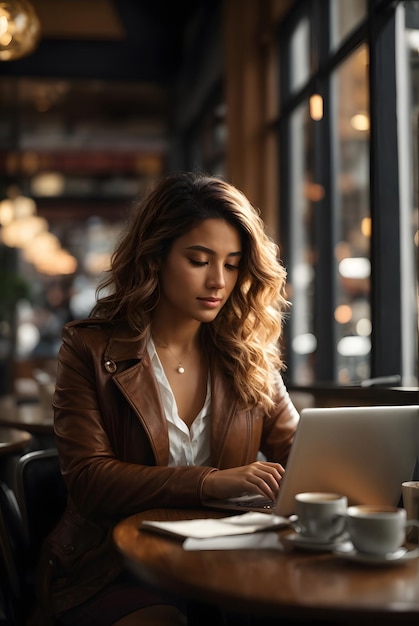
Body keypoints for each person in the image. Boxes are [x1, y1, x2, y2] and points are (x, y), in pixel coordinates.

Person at [34, 171, 299, 626]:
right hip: (111, 565)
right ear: (155, 258)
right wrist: (207, 482)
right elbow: (90, 480)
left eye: (232, 264)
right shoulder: (91, 350)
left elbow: (297, 450)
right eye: (199, 260)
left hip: (226, 562)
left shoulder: (248, 354)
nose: (218, 280)